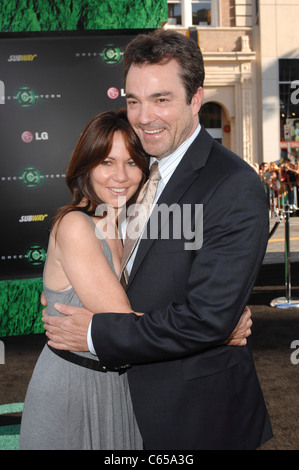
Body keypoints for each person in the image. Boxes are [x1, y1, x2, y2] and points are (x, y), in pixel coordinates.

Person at [43, 30, 272, 450]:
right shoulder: (134, 170)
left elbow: (206, 317)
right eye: (133, 100)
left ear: (196, 99)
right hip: (116, 400)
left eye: (161, 99)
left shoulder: (232, 185)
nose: (144, 116)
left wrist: (97, 332)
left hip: (194, 415)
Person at [19, 109, 149, 450]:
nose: (121, 175)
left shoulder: (125, 227)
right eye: (107, 162)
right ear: (86, 165)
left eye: (132, 162)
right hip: (72, 390)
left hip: (120, 387)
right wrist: (214, 328)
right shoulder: (76, 225)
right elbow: (123, 324)